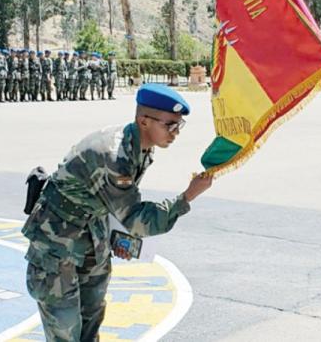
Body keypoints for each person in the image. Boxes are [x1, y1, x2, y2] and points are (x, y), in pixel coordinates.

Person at [22, 83, 213, 342]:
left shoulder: (140, 146)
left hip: (92, 233)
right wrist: (186, 197)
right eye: (170, 125)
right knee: (65, 329)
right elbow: (137, 219)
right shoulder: (116, 155)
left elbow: (112, 202)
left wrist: (118, 235)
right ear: (144, 120)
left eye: (179, 125)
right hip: (56, 242)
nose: (175, 132)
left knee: (91, 319)